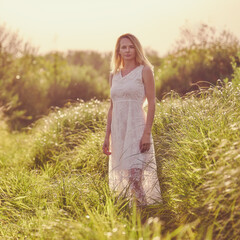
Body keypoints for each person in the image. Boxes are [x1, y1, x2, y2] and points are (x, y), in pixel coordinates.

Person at [102, 33, 161, 206]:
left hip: (137, 128)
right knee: (126, 179)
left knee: (135, 178)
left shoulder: (145, 71)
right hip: (119, 130)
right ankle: (132, 217)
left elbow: (151, 103)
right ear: (118, 51)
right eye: (123, 47)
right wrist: (107, 136)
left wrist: (146, 133)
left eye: (131, 46)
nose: (127, 50)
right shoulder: (114, 75)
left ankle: (144, 217)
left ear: (136, 49)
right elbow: (112, 106)